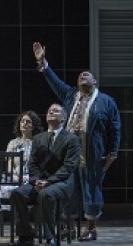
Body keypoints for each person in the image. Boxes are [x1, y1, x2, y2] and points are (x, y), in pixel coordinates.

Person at [32, 42, 121, 241]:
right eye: (80, 75)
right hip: (68, 152)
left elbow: (115, 128)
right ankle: (69, 228)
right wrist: (43, 62)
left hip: (92, 152)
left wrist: (112, 153)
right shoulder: (71, 95)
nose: (82, 76)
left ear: (95, 81)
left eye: (87, 74)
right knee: (67, 189)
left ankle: (90, 228)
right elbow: (54, 82)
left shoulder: (106, 101)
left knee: (91, 189)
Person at [10, 103, 81, 246]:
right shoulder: (39, 138)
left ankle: (51, 237)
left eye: (56, 111)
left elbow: (68, 166)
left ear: (64, 118)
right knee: (17, 193)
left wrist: (49, 181)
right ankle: (26, 234)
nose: (51, 112)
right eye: (49, 110)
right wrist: (36, 180)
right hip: (40, 181)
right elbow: (32, 164)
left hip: (62, 182)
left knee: (46, 194)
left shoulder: (71, 139)